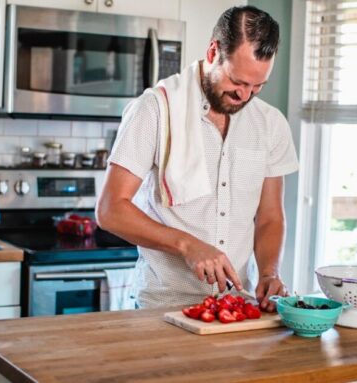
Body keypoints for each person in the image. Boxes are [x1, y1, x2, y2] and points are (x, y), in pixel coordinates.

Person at [96, 5, 298, 312]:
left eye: (258, 86)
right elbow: (110, 210)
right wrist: (187, 245)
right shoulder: (154, 109)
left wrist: (269, 272)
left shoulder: (271, 124)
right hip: (162, 309)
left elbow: (270, 216)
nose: (246, 95)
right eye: (238, 81)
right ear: (214, 51)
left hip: (237, 308)